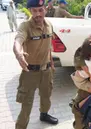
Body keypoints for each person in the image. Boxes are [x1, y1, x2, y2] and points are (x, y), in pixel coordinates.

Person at [13, 0, 58, 128]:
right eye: (34, 10)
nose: (38, 14)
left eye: (40, 10)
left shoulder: (49, 24)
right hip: (30, 72)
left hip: (46, 70)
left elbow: (48, 46)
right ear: (30, 11)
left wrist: (51, 62)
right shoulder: (25, 26)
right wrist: (19, 54)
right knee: (26, 103)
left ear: (45, 9)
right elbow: (18, 40)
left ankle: (44, 114)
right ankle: (21, 127)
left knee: (46, 96)